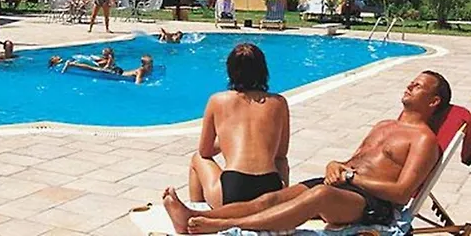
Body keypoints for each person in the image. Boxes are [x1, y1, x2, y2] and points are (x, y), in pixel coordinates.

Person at [163, 70, 451, 234]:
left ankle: (224, 226)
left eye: (418, 86)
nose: (409, 85)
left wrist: (349, 177)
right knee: (272, 197)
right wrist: (335, 165)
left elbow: (401, 193)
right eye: (411, 81)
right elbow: (354, 162)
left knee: (319, 195)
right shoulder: (384, 125)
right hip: (343, 186)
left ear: (434, 101)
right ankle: (193, 216)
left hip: (371, 204)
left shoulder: (423, 140)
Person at [167, 43, 289, 214]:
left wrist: (226, 141)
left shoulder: (217, 100)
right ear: (263, 70)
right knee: (282, 162)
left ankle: (197, 214)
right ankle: (281, 204)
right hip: (270, 188)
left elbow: (205, 152)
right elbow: (281, 155)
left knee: (197, 159)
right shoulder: (279, 102)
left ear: (230, 70)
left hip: (233, 188)